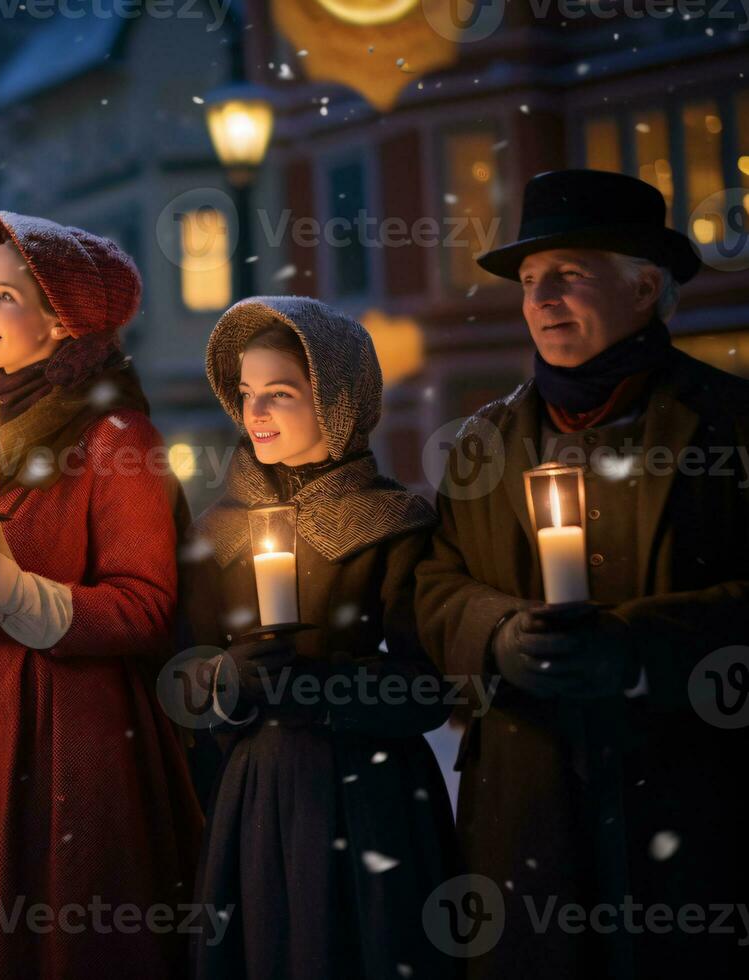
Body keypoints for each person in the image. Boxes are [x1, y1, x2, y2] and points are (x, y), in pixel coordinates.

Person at [417, 168, 749, 977]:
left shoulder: (731, 423)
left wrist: (635, 645)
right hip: (528, 808)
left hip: (692, 796)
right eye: (530, 281)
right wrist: (498, 633)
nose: (542, 297)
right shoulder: (480, 442)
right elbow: (431, 587)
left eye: (568, 273)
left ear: (642, 287)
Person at [0, 212, 203, 978]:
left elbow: (146, 605)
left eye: (4, 296)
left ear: (63, 323)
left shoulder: (115, 435)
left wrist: (23, 593)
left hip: (83, 735)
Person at [178, 298, 457, 980]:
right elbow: (178, 674)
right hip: (256, 791)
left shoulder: (392, 523)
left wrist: (327, 688)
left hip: (370, 799)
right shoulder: (216, 534)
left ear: (336, 400)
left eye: (280, 393)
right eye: (246, 394)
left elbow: (430, 685)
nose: (256, 413)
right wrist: (222, 681)